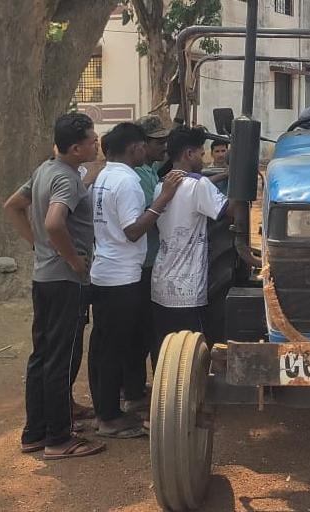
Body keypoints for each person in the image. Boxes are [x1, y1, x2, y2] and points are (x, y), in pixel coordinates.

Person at [2, 113, 105, 460]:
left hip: (43, 278)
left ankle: (35, 432)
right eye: (92, 140)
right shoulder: (66, 180)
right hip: (65, 282)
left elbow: (13, 207)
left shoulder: (45, 170)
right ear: (76, 149)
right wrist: (75, 261)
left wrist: (38, 246)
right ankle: (59, 439)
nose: (96, 144)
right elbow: (55, 222)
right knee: (61, 358)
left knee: (42, 355)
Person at [89, 122, 183, 439]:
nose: (150, 150)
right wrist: (164, 198)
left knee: (107, 346)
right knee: (116, 348)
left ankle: (111, 408)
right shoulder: (127, 181)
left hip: (104, 271)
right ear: (134, 148)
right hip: (122, 276)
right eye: (145, 145)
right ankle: (109, 418)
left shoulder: (104, 175)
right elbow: (132, 231)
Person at [151, 127, 229, 343]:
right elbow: (231, 211)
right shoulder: (198, 185)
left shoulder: (162, 186)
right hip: (188, 290)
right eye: (201, 154)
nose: (203, 159)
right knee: (190, 355)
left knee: (164, 350)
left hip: (161, 284)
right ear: (188, 154)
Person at [119, 114, 170, 412]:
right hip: (139, 264)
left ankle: (136, 387)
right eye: (158, 142)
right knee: (138, 331)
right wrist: (164, 202)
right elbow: (137, 225)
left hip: (149, 262)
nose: (163, 146)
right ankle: (133, 392)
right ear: (140, 145)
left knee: (147, 327)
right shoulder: (133, 178)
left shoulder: (149, 169)